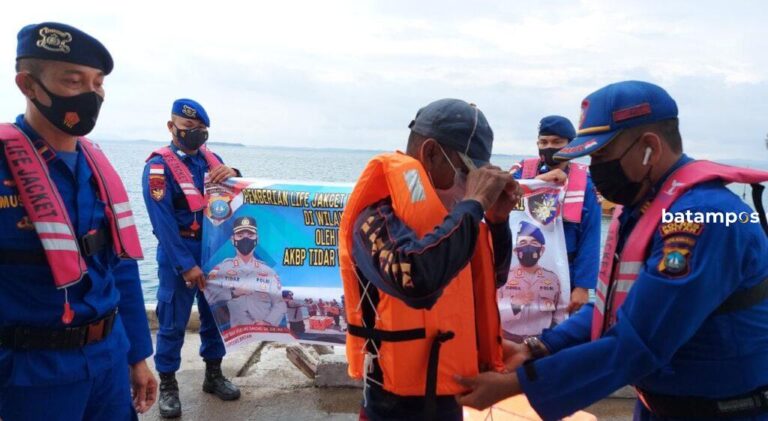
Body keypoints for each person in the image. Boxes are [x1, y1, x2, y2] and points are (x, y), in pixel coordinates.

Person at [456, 81, 768, 421]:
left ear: (649, 147)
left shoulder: (703, 217)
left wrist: (517, 383)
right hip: (658, 407)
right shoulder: (644, 207)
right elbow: (617, 306)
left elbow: (641, 340)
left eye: (602, 156)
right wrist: (539, 347)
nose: (595, 168)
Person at [0, 22, 156, 420]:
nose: (91, 94)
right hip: (32, 376)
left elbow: (121, 268)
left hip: (109, 363)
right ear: (28, 85)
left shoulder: (98, 169)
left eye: (98, 83)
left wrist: (138, 356)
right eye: (74, 81)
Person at [339, 98, 522, 421]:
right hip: (391, 408)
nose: (469, 187)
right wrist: (474, 203)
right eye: (466, 174)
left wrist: (497, 222)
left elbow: (494, 277)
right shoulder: (376, 218)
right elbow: (416, 281)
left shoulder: (457, 222)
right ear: (431, 153)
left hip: (449, 399)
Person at [142, 98, 241, 418]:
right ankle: (168, 385)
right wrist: (186, 265)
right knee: (172, 321)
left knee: (215, 316)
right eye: (188, 127)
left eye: (200, 129)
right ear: (171, 127)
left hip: (213, 251)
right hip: (179, 252)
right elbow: (162, 224)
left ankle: (214, 374)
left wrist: (235, 174)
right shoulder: (158, 168)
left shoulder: (213, 161)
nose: (195, 133)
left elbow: (234, 195)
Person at [512, 115, 600, 313]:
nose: (549, 147)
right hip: (520, 266)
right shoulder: (521, 172)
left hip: (565, 269)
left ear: (571, 145)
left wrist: (583, 286)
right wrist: (540, 181)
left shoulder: (585, 183)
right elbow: (503, 201)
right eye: (543, 142)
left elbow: (591, 235)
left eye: (556, 142)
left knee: (559, 324)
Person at [206, 216, 286, 328]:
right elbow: (209, 295)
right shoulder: (221, 269)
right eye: (240, 236)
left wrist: (268, 322)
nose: (245, 239)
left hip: (264, 331)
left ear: (257, 239)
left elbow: (280, 304)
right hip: (235, 332)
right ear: (233, 239)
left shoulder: (269, 272)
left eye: (250, 235)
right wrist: (233, 293)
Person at [499, 221, 565, 341]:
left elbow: (559, 314)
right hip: (507, 338)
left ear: (542, 250)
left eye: (534, 243)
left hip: (541, 340)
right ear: (515, 250)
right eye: (523, 242)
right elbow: (493, 311)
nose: (528, 247)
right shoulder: (503, 276)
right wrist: (514, 304)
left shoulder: (553, 279)